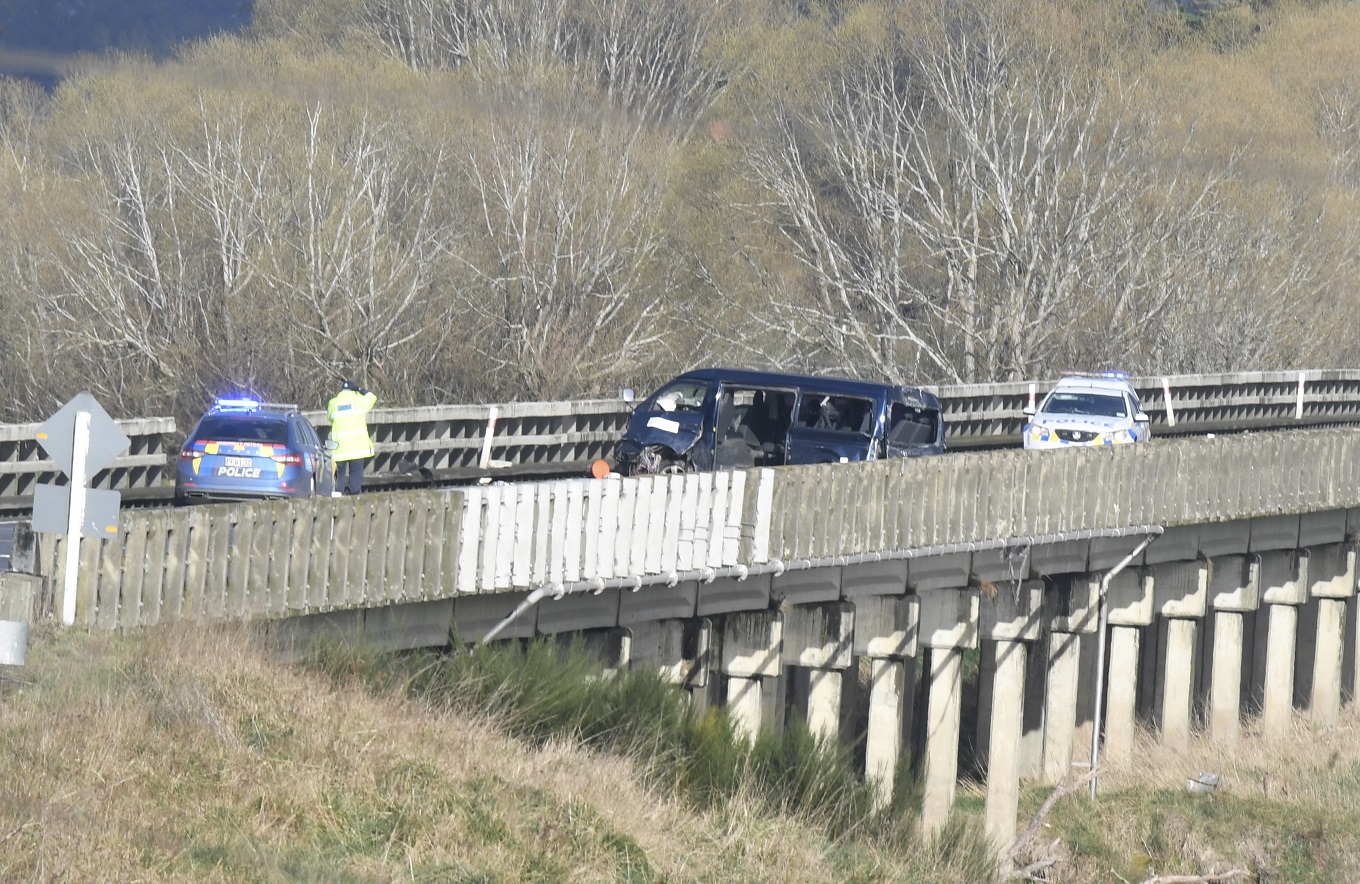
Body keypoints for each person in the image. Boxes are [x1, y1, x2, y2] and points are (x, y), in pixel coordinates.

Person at [327, 379, 377, 495]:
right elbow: (372, 397)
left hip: (340, 448)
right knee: (356, 471)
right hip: (357, 447)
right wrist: (361, 390)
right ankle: (353, 494)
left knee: (340, 472)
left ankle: (338, 493)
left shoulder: (333, 403)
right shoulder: (360, 400)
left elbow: (329, 417)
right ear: (354, 391)